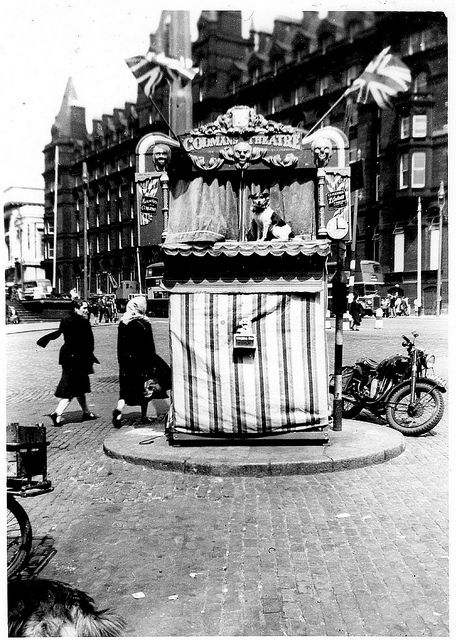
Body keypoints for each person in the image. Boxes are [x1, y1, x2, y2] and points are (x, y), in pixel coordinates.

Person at [36, 299, 99, 426]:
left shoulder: (66, 319)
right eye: (84, 308)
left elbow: (58, 333)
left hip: (67, 356)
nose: (87, 311)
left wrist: (42, 341)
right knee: (73, 387)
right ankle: (57, 413)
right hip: (79, 358)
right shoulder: (84, 322)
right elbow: (90, 343)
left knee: (79, 386)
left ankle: (86, 411)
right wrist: (89, 357)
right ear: (76, 308)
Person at [112, 296, 169, 427]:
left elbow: (120, 345)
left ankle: (119, 410)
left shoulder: (123, 322)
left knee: (125, 389)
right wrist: (153, 364)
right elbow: (150, 346)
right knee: (146, 387)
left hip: (126, 362)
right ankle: (143, 416)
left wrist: (122, 361)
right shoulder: (144, 323)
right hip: (143, 361)